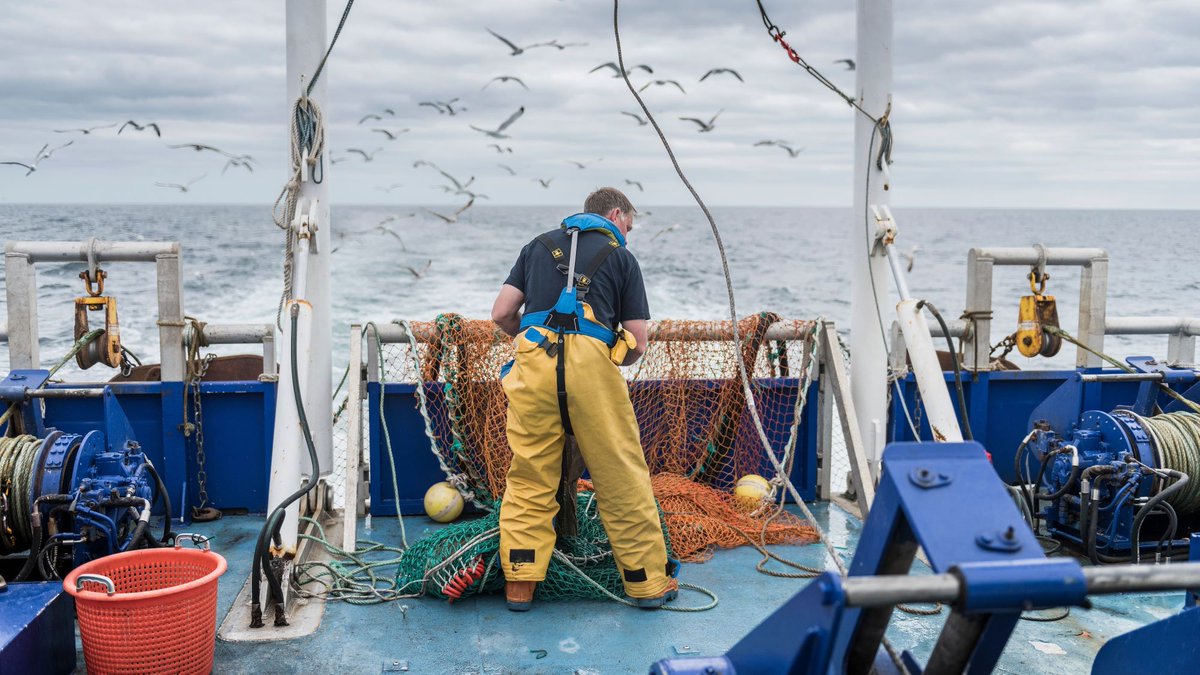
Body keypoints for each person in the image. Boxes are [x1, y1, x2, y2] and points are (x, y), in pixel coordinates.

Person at [490, 187, 677, 611]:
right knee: (620, 477)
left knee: (530, 475)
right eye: (629, 224)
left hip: (533, 363)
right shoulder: (623, 257)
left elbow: (502, 313)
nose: (628, 233)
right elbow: (638, 344)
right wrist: (614, 352)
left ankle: (520, 585)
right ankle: (647, 584)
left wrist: (531, 335)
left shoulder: (537, 246)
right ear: (616, 214)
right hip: (592, 371)